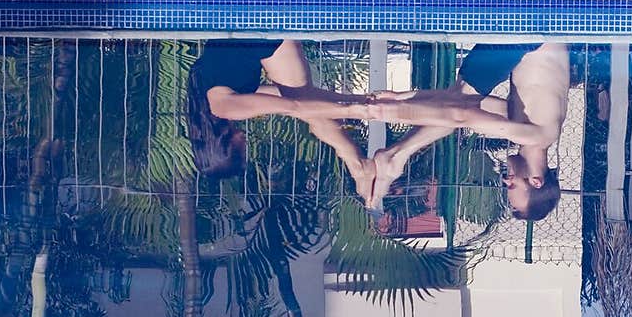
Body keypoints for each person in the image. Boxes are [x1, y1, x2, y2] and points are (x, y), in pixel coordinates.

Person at [365, 40, 571, 219]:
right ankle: (395, 157)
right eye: (512, 185)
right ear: (536, 181)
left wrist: (404, 96)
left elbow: (468, 104)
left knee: (462, 99)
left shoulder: (530, 127)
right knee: (460, 106)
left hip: (528, 38)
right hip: (531, 32)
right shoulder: (540, 135)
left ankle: (394, 156)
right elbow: (462, 114)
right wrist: (394, 113)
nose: (505, 179)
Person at [187, 39, 378, 205]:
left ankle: (356, 163)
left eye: (242, 151)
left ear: (226, 148)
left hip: (261, 33)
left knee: (304, 104)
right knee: (307, 105)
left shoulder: (227, 108)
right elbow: (287, 99)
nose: (246, 144)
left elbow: (294, 106)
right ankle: (355, 162)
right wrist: (361, 101)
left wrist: (353, 110)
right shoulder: (208, 98)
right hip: (249, 33)